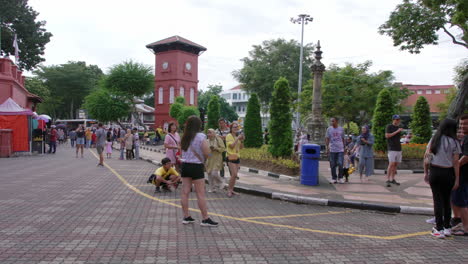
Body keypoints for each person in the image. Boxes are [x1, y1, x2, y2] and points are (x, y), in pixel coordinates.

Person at [423, 119, 460, 239]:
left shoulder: (434, 140)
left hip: (435, 171)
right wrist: (457, 179)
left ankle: (438, 229)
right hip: (448, 172)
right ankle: (447, 227)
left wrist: (426, 172)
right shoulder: (454, 142)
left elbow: (427, 157)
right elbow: (455, 162)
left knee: (437, 200)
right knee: (446, 200)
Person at [180, 115, 218, 227]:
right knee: (200, 193)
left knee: (185, 192)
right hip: (196, 167)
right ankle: (205, 218)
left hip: (185, 165)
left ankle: (186, 216)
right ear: (198, 125)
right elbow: (207, 153)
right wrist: (211, 154)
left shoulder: (185, 137)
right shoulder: (201, 136)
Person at [451, 114, 468, 236]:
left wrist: (454, 166)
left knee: (461, 202)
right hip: (462, 175)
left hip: (463, 175)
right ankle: (459, 222)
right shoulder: (464, 137)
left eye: (465, 124)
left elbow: (466, 157)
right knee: (456, 199)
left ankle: (466, 228)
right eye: (461, 124)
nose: (462, 126)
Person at [226, 122, 244, 197]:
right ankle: (229, 190)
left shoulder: (237, 136)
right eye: (234, 127)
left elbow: (241, 147)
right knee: (234, 174)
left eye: (237, 127)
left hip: (237, 157)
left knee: (234, 175)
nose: (236, 128)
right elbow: (231, 146)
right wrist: (237, 138)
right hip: (230, 157)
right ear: (231, 129)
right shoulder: (229, 136)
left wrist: (242, 140)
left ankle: (232, 189)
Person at [325, 117, 345, 184]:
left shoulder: (341, 129)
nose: (332, 122)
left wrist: (344, 148)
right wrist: (327, 147)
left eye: (333, 121)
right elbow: (327, 138)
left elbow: (343, 139)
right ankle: (334, 178)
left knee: (340, 163)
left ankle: (340, 177)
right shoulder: (329, 129)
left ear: (336, 121)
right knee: (332, 164)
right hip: (332, 149)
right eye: (331, 121)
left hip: (340, 149)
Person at [385, 115, 403, 187]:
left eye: (398, 119)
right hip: (391, 148)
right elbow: (387, 136)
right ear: (393, 120)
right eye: (396, 119)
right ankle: (388, 179)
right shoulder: (389, 126)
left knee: (395, 164)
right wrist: (397, 131)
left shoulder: (398, 127)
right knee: (391, 164)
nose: (398, 121)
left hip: (398, 148)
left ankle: (393, 179)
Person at [206, 128, 225, 193]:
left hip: (217, 158)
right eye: (208, 133)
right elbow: (205, 150)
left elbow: (223, 148)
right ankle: (212, 188)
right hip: (209, 158)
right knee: (209, 173)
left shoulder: (218, 139)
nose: (209, 134)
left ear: (214, 133)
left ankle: (221, 181)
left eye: (210, 132)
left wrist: (216, 148)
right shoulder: (207, 141)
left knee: (214, 173)